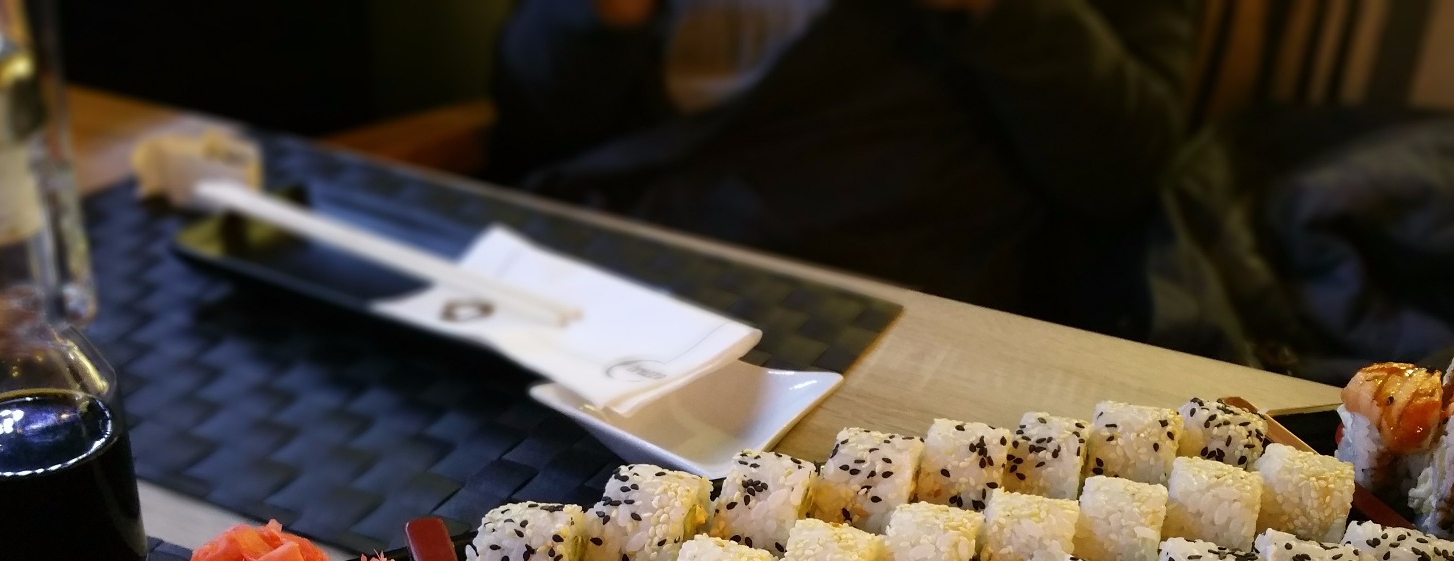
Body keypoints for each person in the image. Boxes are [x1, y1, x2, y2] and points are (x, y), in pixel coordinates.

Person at [490, 0, 1205, 330]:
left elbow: (1125, 172)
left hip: (852, 318)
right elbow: (530, 128)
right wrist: (599, 16)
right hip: (583, 275)